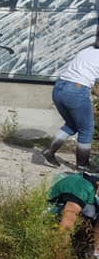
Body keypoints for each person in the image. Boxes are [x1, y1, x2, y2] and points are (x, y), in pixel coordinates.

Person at [42, 44, 99, 172]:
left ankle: (50, 150)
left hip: (59, 88)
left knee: (72, 125)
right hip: (76, 90)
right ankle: (82, 164)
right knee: (87, 129)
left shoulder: (87, 50)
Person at [47, 172, 99, 259]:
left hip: (84, 209)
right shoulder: (81, 188)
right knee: (89, 212)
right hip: (52, 212)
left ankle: (93, 251)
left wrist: (96, 250)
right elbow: (67, 225)